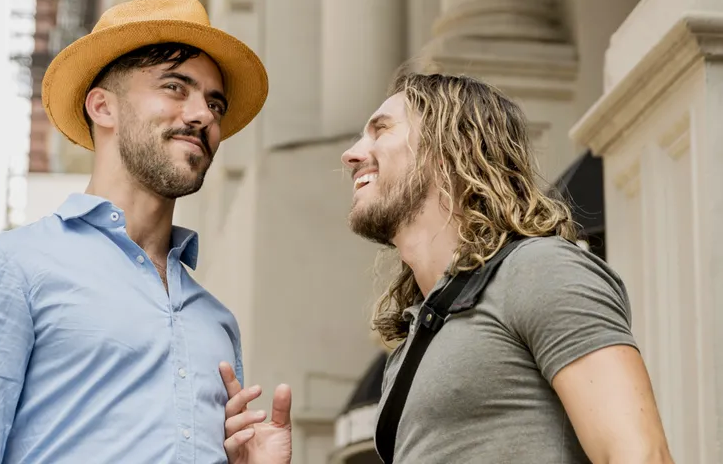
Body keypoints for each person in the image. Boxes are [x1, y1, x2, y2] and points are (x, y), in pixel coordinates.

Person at [223, 70, 675, 463]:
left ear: (448, 151)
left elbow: (639, 455)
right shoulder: (417, 335)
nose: (352, 154)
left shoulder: (540, 270)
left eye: (380, 130)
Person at [0, 0, 274, 463]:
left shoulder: (216, 322)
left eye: (214, 103)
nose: (203, 114)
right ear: (103, 107)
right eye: (175, 88)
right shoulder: (6, 269)